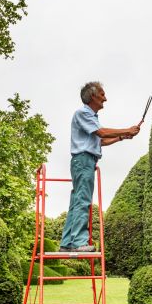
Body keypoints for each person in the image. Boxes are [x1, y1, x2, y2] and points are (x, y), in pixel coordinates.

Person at [59, 82, 141, 252]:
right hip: (83, 161)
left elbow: (101, 141)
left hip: (84, 161)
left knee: (77, 201)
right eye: (102, 94)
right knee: (83, 200)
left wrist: (122, 137)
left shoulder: (91, 117)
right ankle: (79, 242)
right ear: (93, 96)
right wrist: (126, 129)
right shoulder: (82, 113)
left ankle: (67, 243)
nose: (105, 98)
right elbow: (102, 133)